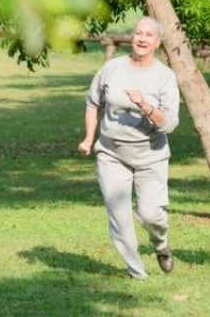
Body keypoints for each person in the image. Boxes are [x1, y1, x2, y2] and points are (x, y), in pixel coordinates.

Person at [77, 17, 180, 279]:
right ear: (132, 37)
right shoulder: (111, 69)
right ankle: (137, 273)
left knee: (150, 215)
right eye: (138, 33)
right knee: (119, 216)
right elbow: (93, 103)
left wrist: (144, 105)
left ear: (157, 43)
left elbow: (169, 124)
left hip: (151, 155)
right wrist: (89, 138)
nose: (142, 39)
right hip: (111, 152)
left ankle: (161, 244)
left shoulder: (165, 77)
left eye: (149, 36)